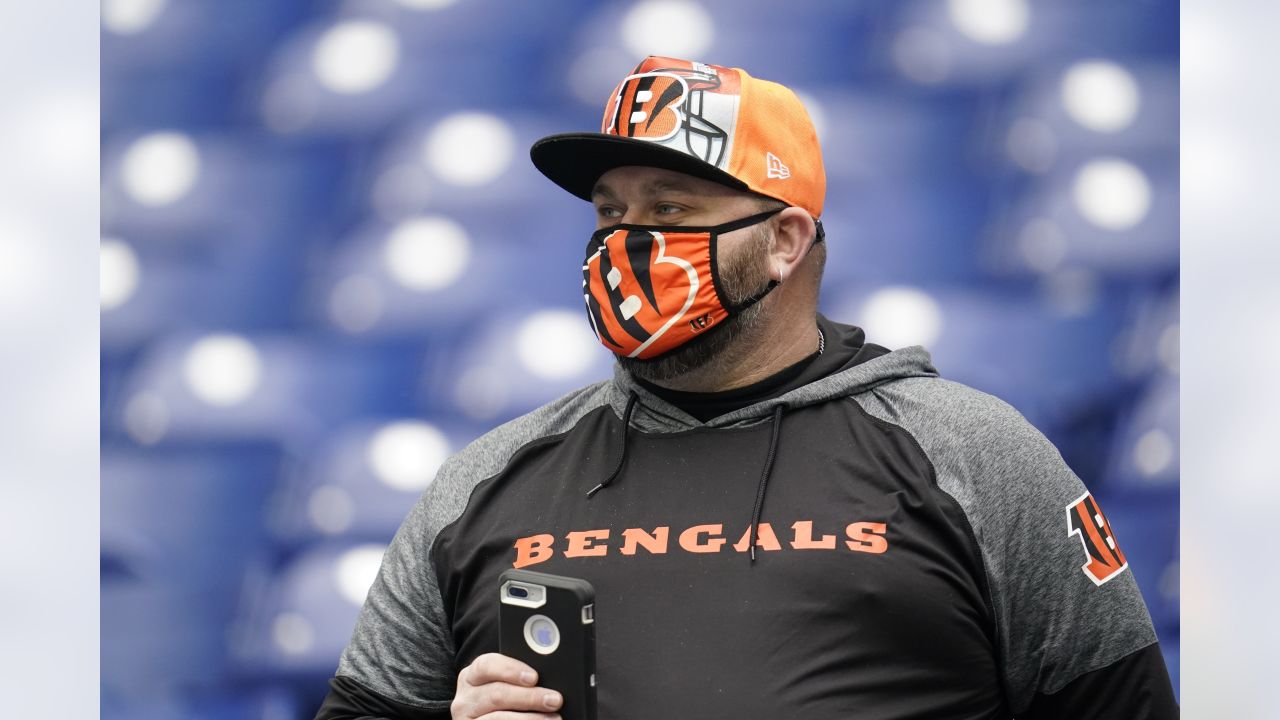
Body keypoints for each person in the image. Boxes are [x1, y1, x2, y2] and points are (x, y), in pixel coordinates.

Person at [315, 56, 1177, 720]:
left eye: (671, 210)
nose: (627, 244)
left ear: (785, 241)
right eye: (611, 213)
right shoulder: (486, 484)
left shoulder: (972, 457)